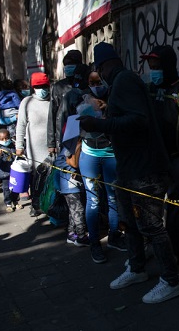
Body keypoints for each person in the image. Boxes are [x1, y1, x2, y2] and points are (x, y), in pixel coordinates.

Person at [79, 42, 179, 303]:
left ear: (102, 66)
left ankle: (171, 280)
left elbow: (138, 120)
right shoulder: (120, 83)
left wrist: (101, 124)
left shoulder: (124, 80)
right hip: (128, 168)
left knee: (151, 226)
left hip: (145, 168)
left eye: (98, 69)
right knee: (131, 222)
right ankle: (136, 268)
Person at [142, 45, 179, 258]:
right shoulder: (148, 90)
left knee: (176, 209)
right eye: (150, 67)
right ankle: (152, 243)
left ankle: (175, 251)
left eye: (157, 67)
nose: (153, 71)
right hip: (152, 159)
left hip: (176, 161)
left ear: (168, 66)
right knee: (150, 205)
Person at [76, 70, 126, 264]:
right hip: (89, 155)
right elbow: (71, 126)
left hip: (111, 155)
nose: (96, 85)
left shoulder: (116, 98)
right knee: (93, 201)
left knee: (113, 197)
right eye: (92, 82)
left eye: (99, 81)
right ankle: (95, 244)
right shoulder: (81, 99)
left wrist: (109, 109)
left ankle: (114, 237)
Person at [15, 72, 53, 217]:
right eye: (38, 86)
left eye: (44, 86)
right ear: (33, 87)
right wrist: (19, 146)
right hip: (34, 150)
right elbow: (21, 125)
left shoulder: (53, 100)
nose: (42, 89)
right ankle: (36, 204)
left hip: (52, 147)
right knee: (36, 179)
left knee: (50, 179)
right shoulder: (27, 102)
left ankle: (50, 205)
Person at [48, 49, 84, 153]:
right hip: (63, 135)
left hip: (82, 133)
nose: (68, 67)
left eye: (71, 64)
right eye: (66, 65)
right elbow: (52, 114)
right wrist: (51, 143)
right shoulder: (58, 86)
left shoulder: (85, 83)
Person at [53, 148, 89, 247]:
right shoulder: (70, 146)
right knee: (78, 210)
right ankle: (81, 237)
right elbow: (58, 161)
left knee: (74, 211)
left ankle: (71, 233)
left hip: (78, 185)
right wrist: (72, 170)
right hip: (70, 185)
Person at [0, 128, 20, 212]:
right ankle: (8, 203)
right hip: (4, 173)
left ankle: (15, 201)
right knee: (6, 189)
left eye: (6, 138)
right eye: (2, 139)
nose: (5, 140)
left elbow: (16, 157)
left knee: (15, 188)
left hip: (14, 172)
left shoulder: (12, 146)